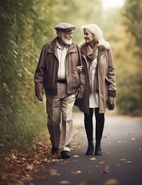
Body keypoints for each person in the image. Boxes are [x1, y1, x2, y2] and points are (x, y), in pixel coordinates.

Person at [34, 22, 85, 159]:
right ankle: (55, 144)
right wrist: (39, 89)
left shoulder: (76, 48)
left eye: (71, 32)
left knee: (67, 118)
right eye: (67, 33)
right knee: (53, 121)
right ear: (59, 34)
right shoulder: (48, 48)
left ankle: (65, 148)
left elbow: (82, 71)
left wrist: (81, 87)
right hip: (53, 89)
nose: (70, 35)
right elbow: (40, 71)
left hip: (70, 89)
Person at [77, 24, 117, 156]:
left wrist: (112, 92)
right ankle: (90, 145)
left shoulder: (105, 49)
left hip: (101, 89)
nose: (84, 36)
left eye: (87, 33)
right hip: (86, 88)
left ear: (94, 35)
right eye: (84, 33)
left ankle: (98, 145)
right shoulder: (81, 49)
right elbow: (77, 67)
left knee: (100, 117)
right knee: (87, 116)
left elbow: (111, 70)